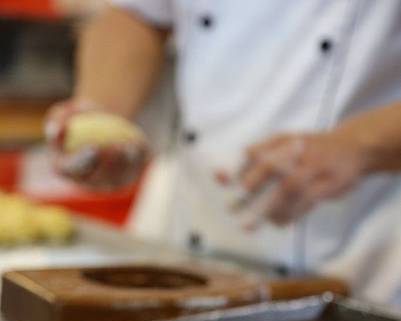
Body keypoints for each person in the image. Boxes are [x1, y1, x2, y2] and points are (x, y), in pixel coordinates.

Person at [46, 1, 401, 305]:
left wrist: (357, 146)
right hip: (186, 240)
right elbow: (136, 12)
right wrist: (104, 116)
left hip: (354, 258)